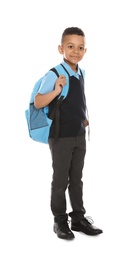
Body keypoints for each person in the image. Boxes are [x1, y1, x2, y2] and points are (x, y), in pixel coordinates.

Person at [34, 27, 103, 240]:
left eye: (80, 47)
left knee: (76, 179)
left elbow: (76, 100)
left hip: (79, 134)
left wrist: (83, 117)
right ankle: (60, 221)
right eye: (70, 46)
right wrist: (55, 90)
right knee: (60, 180)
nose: (75, 51)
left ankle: (78, 219)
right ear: (60, 48)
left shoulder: (81, 72)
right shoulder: (54, 74)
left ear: (85, 50)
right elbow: (38, 102)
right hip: (61, 136)